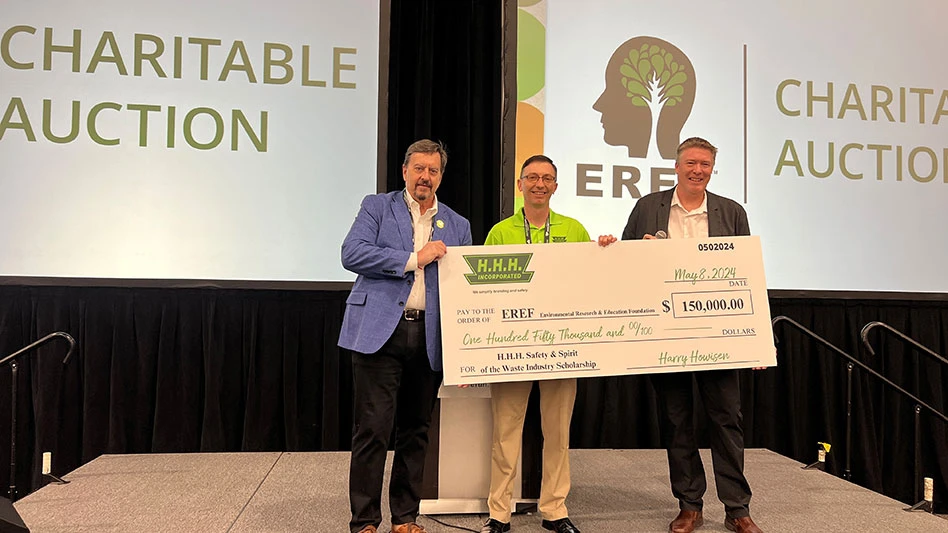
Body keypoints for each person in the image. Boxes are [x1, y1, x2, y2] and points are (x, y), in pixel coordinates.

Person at [607, 137, 763, 533]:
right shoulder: (648, 207)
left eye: (705, 165)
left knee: (727, 421)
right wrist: (627, 250)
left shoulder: (731, 212)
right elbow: (623, 266)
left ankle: (737, 509)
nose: (698, 170)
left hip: (720, 337)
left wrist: (758, 337)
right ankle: (689, 504)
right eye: (691, 163)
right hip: (666, 335)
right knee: (677, 422)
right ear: (676, 167)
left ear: (712, 169)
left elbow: (748, 276)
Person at [339, 139, 473, 533]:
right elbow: (352, 254)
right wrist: (415, 259)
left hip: (428, 337)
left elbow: (463, 290)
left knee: (416, 431)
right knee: (373, 430)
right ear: (404, 171)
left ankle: (405, 518)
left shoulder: (458, 224)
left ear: (440, 177)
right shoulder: (377, 207)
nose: (425, 177)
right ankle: (364, 520)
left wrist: (464, 353)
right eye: (418, 169)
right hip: (380, 334)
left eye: (433, 171)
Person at [480, 155, 588, 533]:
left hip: (560, 346)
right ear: (520, 184)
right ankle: (499, 513)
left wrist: (605, 251)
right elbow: (483, 293)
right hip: (513, 345)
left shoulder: (574, 230)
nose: (540, 184)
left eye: (547, 178)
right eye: (533, 177)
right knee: (505, 432)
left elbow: (591, 283)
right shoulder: (500, 232)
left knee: (557, 434)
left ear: (556, 186)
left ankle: (554, 511)